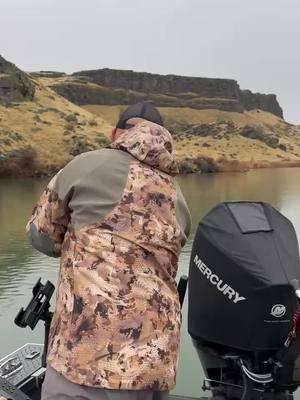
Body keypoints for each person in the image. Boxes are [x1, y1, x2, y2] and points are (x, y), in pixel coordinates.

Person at [26, 102, 191, 400]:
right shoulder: (177, 195)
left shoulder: (86, 165)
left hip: (88, 358)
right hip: (154, 362)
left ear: (116, 134)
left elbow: (40, 235)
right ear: (165, 138)